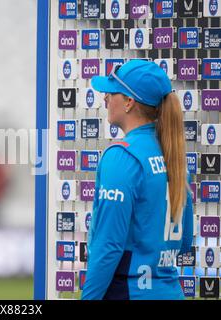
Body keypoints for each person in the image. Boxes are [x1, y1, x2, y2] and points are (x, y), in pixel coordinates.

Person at [81, 60, 193, 300]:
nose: (105, 99)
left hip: (129, 292)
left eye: (111, 93)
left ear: (129, 102)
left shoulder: (122, 156)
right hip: (170, 292)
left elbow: (108, 247)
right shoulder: (173, 155)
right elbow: (183, 243)